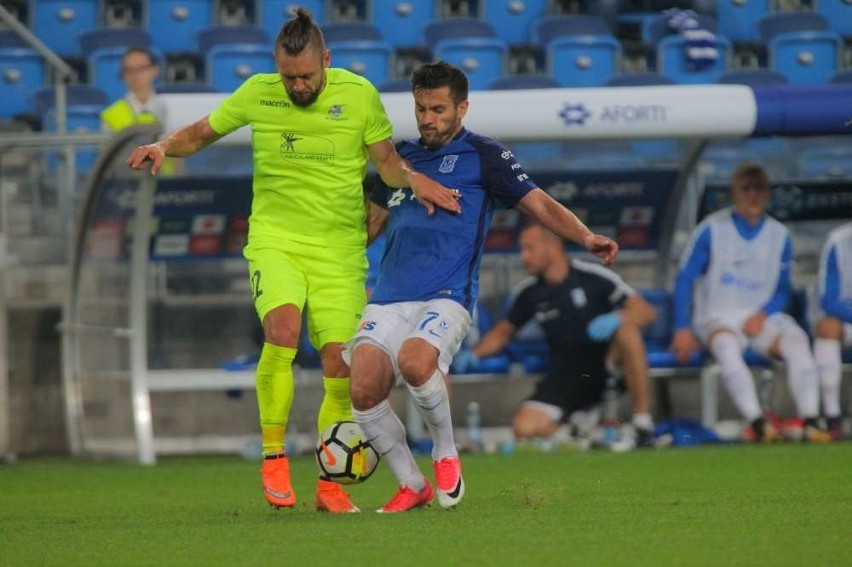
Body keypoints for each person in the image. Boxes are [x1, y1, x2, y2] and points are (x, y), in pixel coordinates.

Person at [127, 8, 461, 514]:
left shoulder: (358, 95)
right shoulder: (259, 92)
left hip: (340, 251)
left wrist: (417, 182)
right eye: (289, 76)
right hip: (276, 241)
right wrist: (162, 145)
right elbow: (200, 133)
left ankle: (330, 484)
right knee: (281, 333)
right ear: (276, 67)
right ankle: (274, 456)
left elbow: (388, 166)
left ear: (326, 60)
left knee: (339, 365)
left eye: (306, 75)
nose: (298, 85)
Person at [343, 61, 618, 513]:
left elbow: (539, 204)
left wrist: (585, 236)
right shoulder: (397, 161)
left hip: (447, 294)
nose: (427, 118)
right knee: (363, 389)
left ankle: (445, 452)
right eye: (420, 108)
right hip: (391, 294)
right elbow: (365, 229)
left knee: (416, 362)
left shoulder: (485, 156)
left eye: (437, 108)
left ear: (462, 108)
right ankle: (412, 484)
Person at [456, 222, 658, 448]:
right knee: (524, 429)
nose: (524, 257)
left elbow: (645, 311)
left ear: (551, 247)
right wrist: (474, 354)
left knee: (628, 330)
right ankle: (577, 428)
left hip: (606, 368)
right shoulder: (530, 292)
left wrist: (617, 318)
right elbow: (503, 333)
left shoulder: (592, 276)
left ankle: (642, 426)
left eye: (529, 249)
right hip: (566, 375)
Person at [669, 161, 831, 443]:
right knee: (725, 345)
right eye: (746, 189)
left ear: (768, 194)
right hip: (717, 315)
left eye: (759, 189)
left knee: (796, 339)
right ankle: (757, 422)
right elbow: (685, 279)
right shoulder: (712, 230)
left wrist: (765, 312)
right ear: (734, 193)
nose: (752, 196)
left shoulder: (779, 235)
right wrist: (682, 328)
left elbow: (782, 289)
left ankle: (810, 420)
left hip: (759, 315)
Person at [811, 222, 851, 440]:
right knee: (828, 327)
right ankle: (833, 417)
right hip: (844, 320)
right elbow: (829, 300)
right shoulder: (838, 241)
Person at [101, 47, 166, 132]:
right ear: (122, 75)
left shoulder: (168, 108)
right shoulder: (111, 114)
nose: (135, 74)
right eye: (129, 70)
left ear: (155, 70)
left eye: (141, 68)